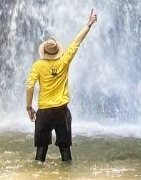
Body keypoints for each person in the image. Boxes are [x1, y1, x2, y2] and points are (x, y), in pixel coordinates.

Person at [25, 9, 97, 163]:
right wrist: (88, 25)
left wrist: (29, 107)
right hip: (61, 110)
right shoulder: (64, 60)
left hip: (44, 111)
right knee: (65, 150)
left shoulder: (38, 65)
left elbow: (30, 85)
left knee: (41, 152)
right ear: (57, 50)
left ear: (44, 51)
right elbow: (77, 42)